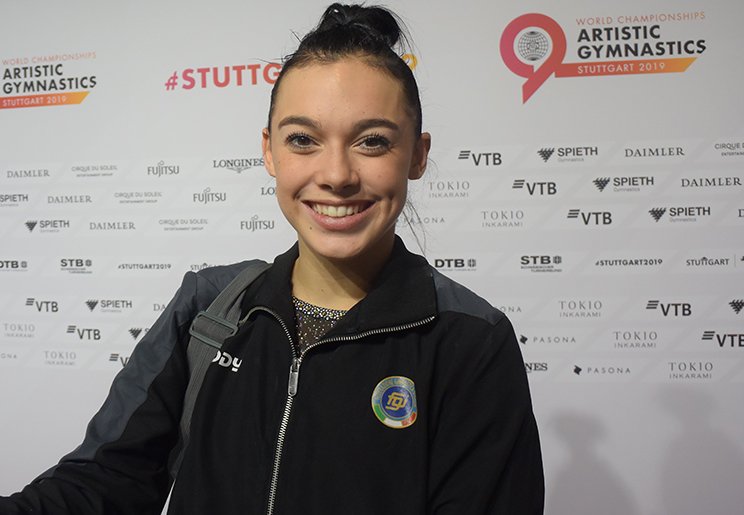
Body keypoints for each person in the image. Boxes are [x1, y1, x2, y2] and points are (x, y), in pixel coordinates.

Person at [0, 3, 544, 514]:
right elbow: (103, 483)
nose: (336, 174)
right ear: (269, 150)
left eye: (372, 141)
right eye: (303, 139)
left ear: (418, 156)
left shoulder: (471, 340)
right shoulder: (208, 307)